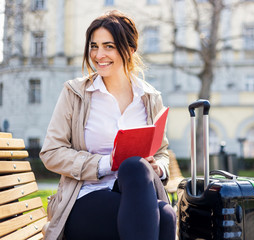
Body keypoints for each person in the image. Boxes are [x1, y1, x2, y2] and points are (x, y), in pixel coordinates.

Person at [40, 10, 176, 240]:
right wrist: (104, 164)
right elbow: (51, 153)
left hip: (136, 192)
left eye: (108, 46)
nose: (98, 54)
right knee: (163, 216)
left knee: (137, 170)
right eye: (94, 46)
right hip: (84, 198)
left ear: (130, 50)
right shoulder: (75, 93)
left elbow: (161, 153)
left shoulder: (149, 97)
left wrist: (158, 167)